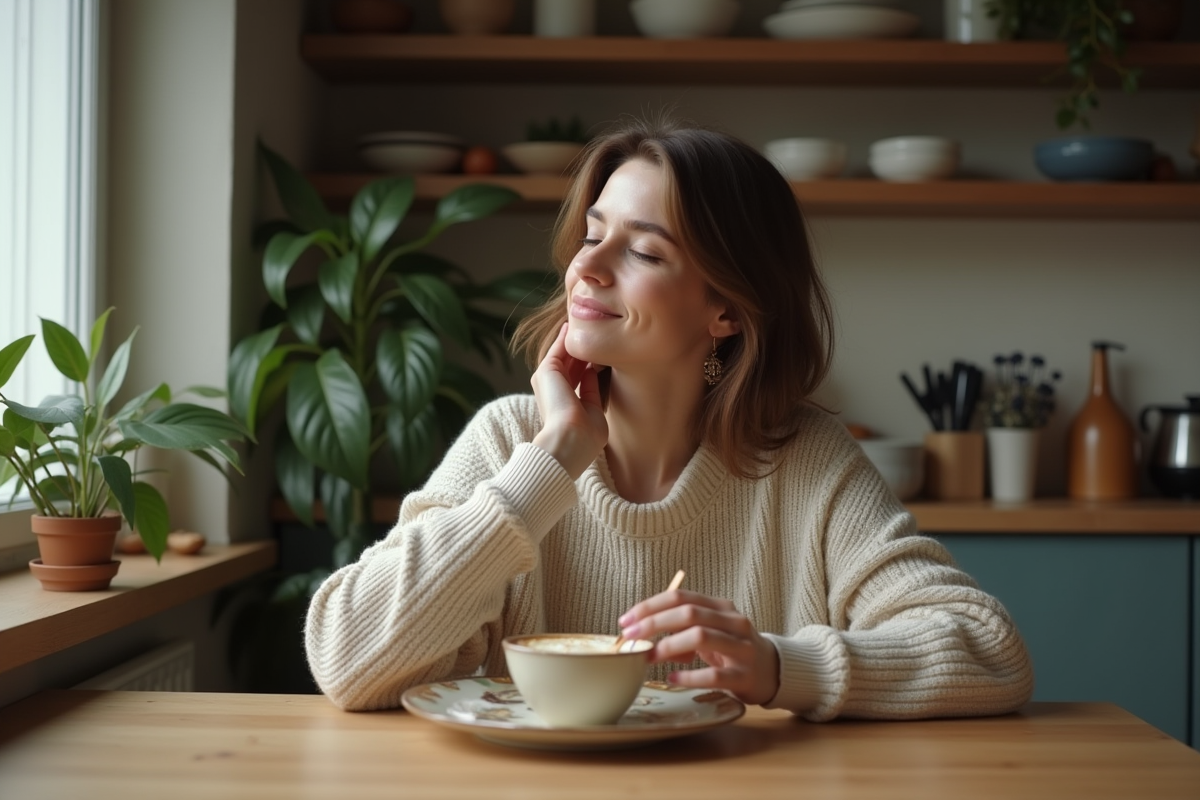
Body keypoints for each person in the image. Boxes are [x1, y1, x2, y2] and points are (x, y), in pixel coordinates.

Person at [304, 117, 1034, 720]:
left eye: (644, 251)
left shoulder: (803, 460)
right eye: (592, 234)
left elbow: (988, 649)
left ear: (726, 311)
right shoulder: (511, 441)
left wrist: (782, 667)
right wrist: (551, 463)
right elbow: (345, 657)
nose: (588, 268)